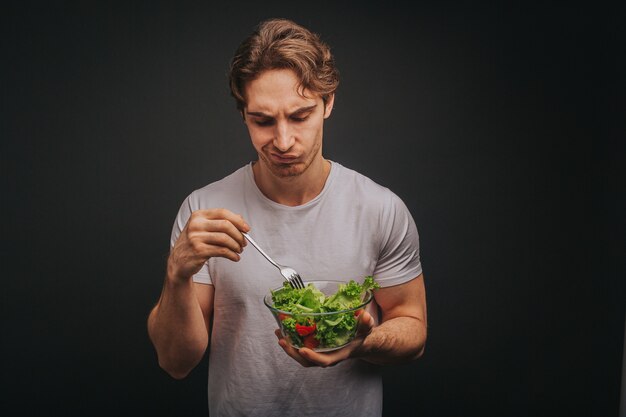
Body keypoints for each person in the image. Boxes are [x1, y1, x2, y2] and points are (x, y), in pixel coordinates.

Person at [147, 18, 427, 417]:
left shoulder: (380, 208)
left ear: (328, 103)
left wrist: (359, 344)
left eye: (299, 116)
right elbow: (175, 362)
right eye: (262, 121)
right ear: (243, 113)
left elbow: (413, 330)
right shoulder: (204, 211)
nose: (282, 141)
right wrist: (176, 273)